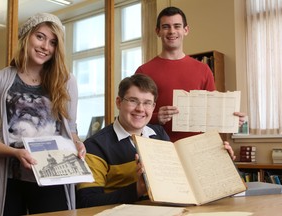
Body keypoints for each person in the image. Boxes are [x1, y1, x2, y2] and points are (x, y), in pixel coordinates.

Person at [76, 73, 236, 208]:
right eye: (133, 101)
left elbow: (183, 177)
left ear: (153, 107)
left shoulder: (159, 134)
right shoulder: (95, 146)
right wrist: (138, 189)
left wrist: (218, 160)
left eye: (147, 103)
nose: (140, 109)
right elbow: (87, 201)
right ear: (119, 102)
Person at [0, 13, 85, 216]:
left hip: (53, 178)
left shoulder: (66, 81)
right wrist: (15, 153)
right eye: (40, 37)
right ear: (26, 37)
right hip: (10, 179)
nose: (45, 46)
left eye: (53, 42)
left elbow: (71, 130)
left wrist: (77, 144)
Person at [135, 6, 245, 142]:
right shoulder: (144, 71)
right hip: (157, 146)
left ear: (185, 30)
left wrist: (231, 119)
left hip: (194, 148)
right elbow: (133, 113)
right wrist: (156, 118)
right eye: (165, 27)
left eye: (177, 26)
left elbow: (212, 114)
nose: (172, 31)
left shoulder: (203, 70)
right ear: (158, 31)